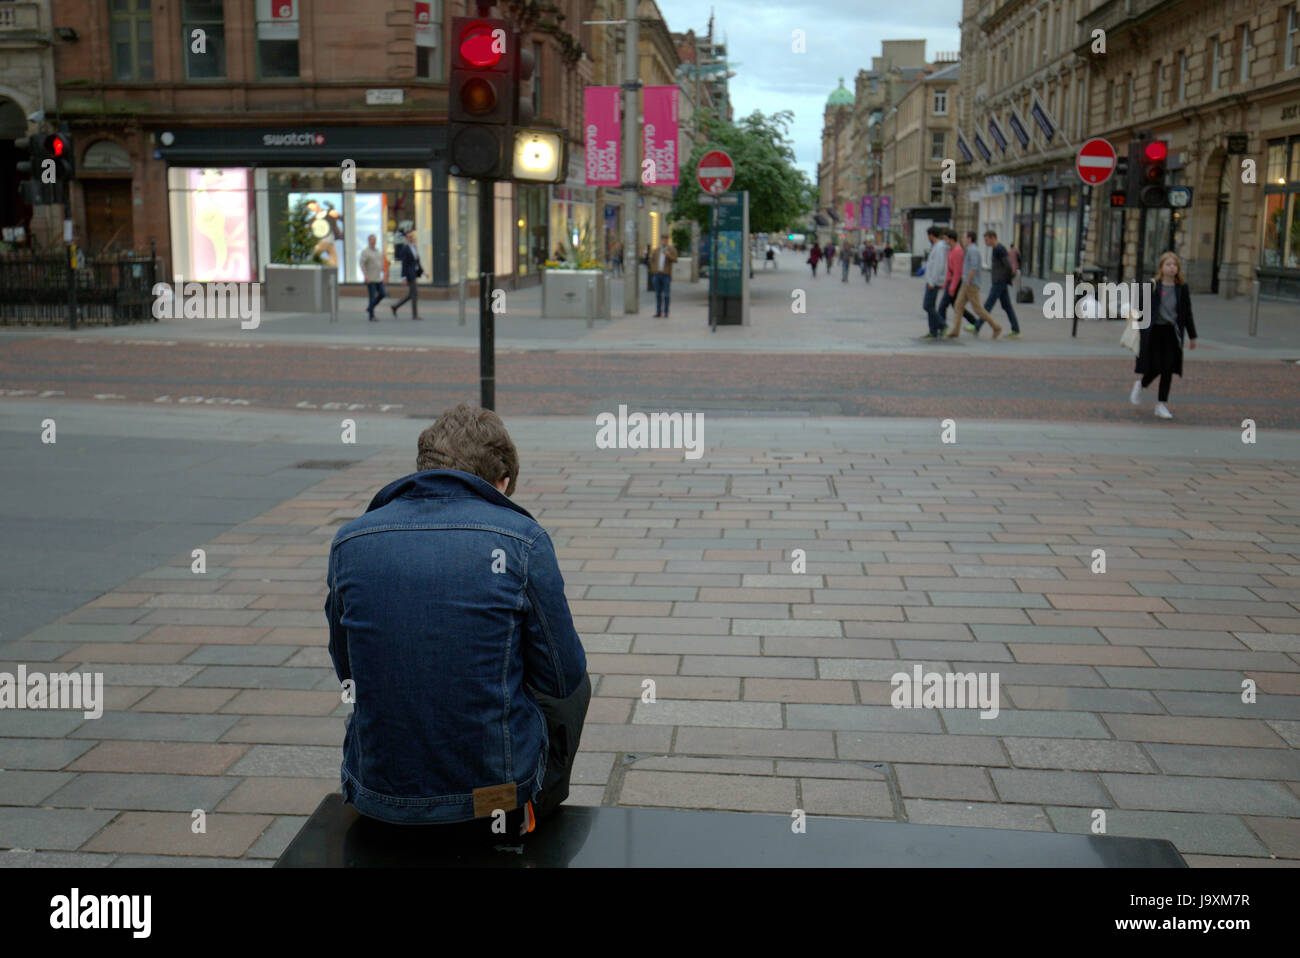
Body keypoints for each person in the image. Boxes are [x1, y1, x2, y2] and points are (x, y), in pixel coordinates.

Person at [327, 403, 591, 834]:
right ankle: (529, 811)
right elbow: (562, 679)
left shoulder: (352, 539)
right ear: (501, 483)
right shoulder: (523, 540)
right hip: (492, 801)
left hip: (377, 793)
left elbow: (348, 671)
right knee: (573, 686)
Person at [1130, 251, 1197, 419]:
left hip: (1172, 332)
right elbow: (1140, 307)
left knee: (1167, 368)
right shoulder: (1153, 285)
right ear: (1161, 267)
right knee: (1155, 367)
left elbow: (1187, 313)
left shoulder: (1182, 288)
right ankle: (1141, 384)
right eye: (1168, 264)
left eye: (1174, 265)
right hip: (1154, 332)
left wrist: (1192, 335)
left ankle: (1161, 405)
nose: (1172, 268)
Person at [947, 231, 1001, 339]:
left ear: (970, 239)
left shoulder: (973, 250)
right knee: (958, 305)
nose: (962, 240)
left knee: (978, 309)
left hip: (971, 284)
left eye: (964, 238)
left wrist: (968, 281)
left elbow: (974, 267)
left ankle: (996, 326)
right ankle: (955, 330)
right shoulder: (969, 250)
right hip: (965, 283)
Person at [979, 230, 1020, 337]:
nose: (985, 242)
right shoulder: (995, 249)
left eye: (987, 240)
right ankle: (1016, 329)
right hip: (999, 280)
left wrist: (1009, 278)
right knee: (1007, 306)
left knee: (988, 304)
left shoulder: (999, 249)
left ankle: (977, 325)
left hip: (999, 281)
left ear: (992, 238)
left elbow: (1007, 265)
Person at [937, 228, 976, 335]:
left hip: (956, 282)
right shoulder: (950, 250)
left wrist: (952, 287)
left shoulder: (958, 251)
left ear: (951, 239)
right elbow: (949, 270)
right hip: (951, 281)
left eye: (946, 239)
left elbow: (957, 272)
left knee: (942, 306)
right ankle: (975, 322)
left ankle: (942, 326)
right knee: (956, 306)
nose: (945, 241)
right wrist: (945, 283)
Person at [921, 227, 949, 340]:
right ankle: (933, 331)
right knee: (930, 306)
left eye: (928, 236)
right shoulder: (937, 247)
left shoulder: (939, 248)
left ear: (932, 235)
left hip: (934, 281)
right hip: (931, 280)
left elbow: (938, 265)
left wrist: (932, 281)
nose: (928, 238)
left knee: (927, 305)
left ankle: (942, 324)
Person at [391, 230, 423, 320]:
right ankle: (415, 315)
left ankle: (395, 306)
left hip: (414, 273)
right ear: (406, 238)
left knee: (411, 294)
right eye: (409, 237)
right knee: (414, 294)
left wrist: (423, 272)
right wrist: (404, 277)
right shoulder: (405, 249)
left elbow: (416, 261)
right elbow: (404, 264)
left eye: (412, 237)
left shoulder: (414, 247)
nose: (411, 238)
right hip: (409, 274)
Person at [649, 234, 678, 318]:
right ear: (661, 240)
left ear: (667, 241)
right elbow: (652, 260)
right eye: (663, 240)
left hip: (666, 275)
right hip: (657, 274)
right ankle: (658, 312)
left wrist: (668, 255)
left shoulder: (671, 250)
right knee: (658, 293)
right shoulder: (657, 250)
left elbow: (675, 260)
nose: (664, 241)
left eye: (665, 240)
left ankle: (666, 312)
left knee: (666, 294)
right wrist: (653, 269)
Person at [359, 234, 385, 323]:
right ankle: (371, 316)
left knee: (383, 293)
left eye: (375, 240)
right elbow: (362, 264)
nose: (373, 241)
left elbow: (381, 263)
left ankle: (370, 307)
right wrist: (365, 276)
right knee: (372, 297)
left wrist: (383, 272)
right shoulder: (365, 252)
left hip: (378, 278)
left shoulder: (378, 251)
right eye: (372, 240)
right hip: (370, 278)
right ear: (369, 241)